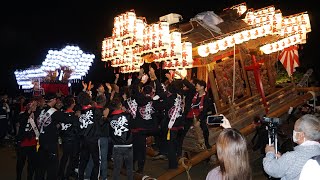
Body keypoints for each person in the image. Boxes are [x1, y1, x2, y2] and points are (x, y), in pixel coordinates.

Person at [263, 114, 320, 180]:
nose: (293, 132)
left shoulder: (292, 157)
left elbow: (272, 169)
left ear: (301, 135)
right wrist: (283, 160)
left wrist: (269, 153)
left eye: (295, 129)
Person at [206, 116, 252, 180]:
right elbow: (236, 147)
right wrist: (230, 131)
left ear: (220, 151)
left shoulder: (214, 175)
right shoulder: (245, 171)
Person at [35, 93, 64, 180]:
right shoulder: (54, 112)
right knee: (52, 167)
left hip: (41, 141)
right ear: (53, 100)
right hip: (51, 143)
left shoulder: (39, 110)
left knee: (41, 166)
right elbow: (65, 119)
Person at [108, 97, 133, 180]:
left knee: (117, 168)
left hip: (116, 146)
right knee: (129, 168)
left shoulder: (110, 118)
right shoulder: (128, 116)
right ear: (121, 105)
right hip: (128, 145)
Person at [15, 99, 38, 180]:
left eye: (36, 104)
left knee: (32, 164)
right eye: (34, 105)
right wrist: (28, 114)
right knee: (21, 163)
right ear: (29, 105)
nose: (36, 106)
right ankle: (18, 177)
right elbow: (19, 122)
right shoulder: (23, 114)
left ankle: (30, 177)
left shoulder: (36, 114)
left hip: (33, 143)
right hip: (23, 143)